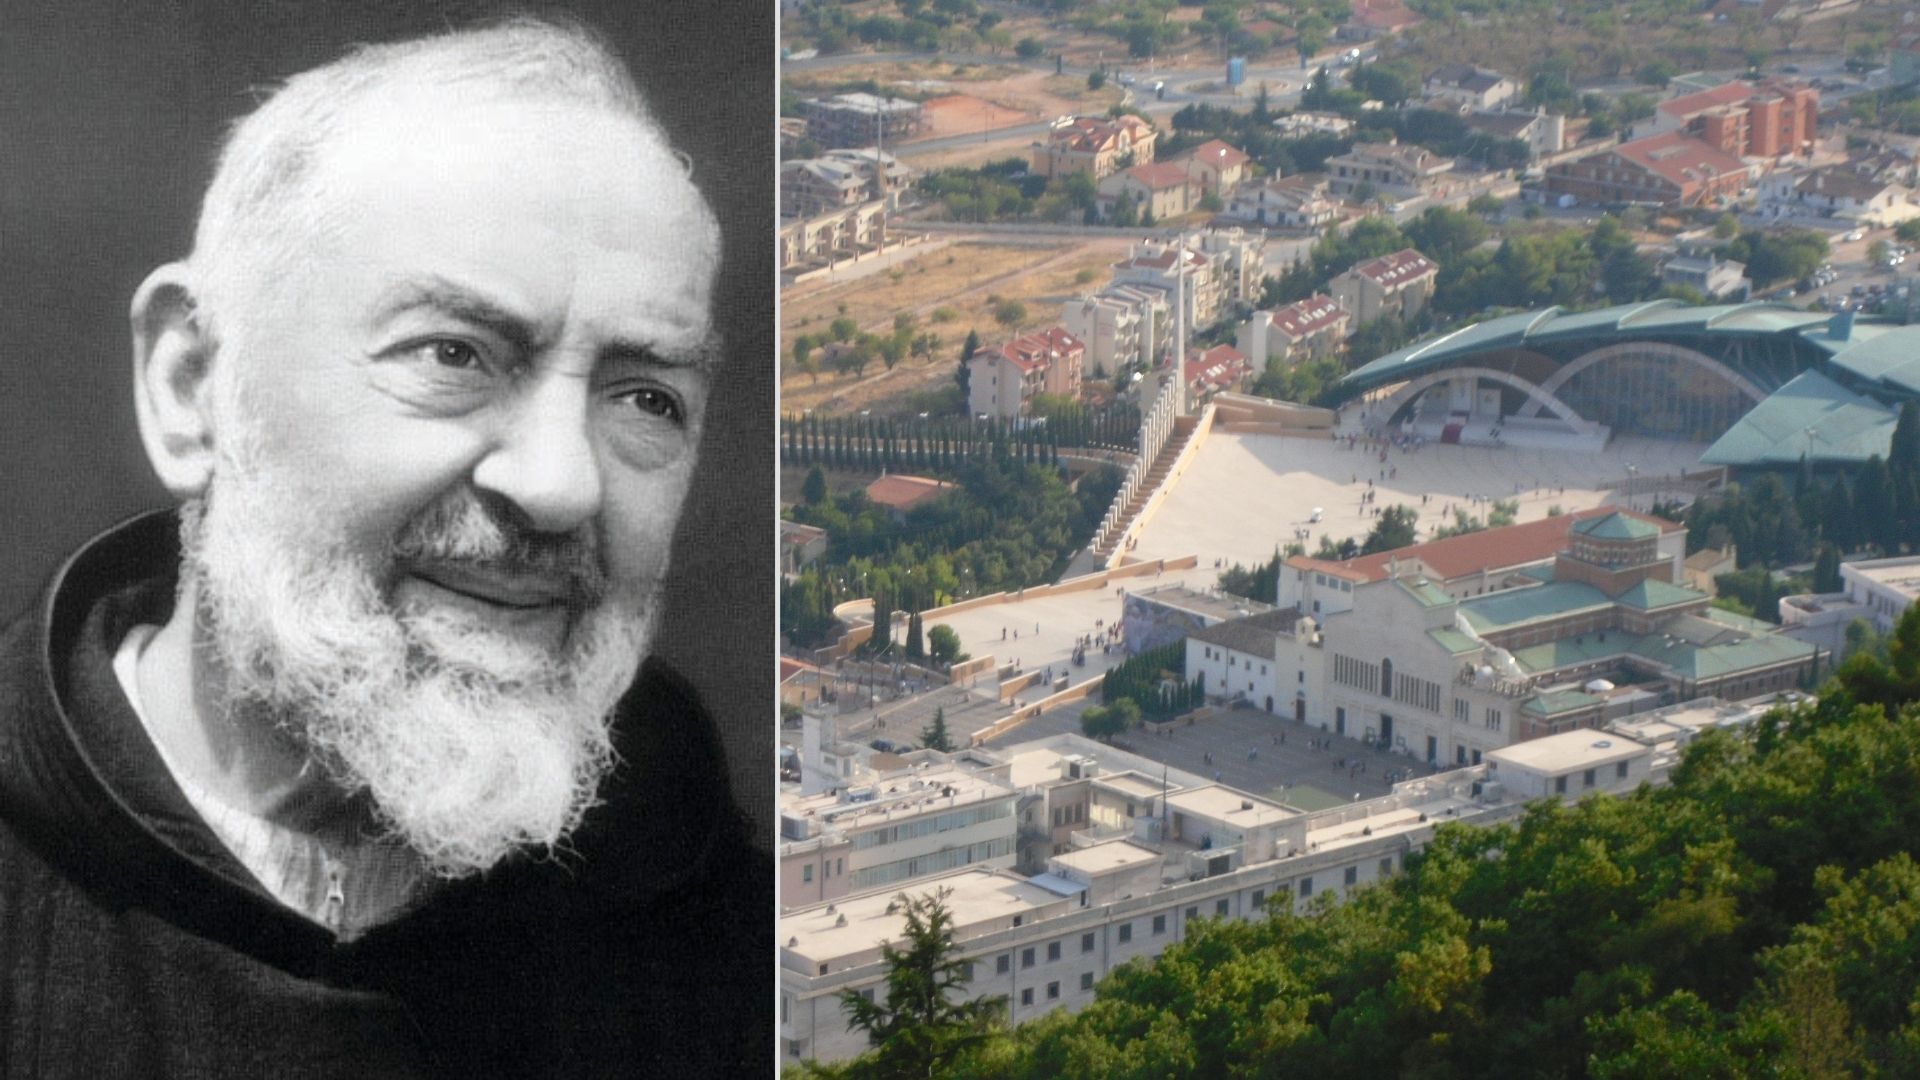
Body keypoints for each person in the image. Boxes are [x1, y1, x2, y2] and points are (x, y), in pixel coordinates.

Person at [0, 18, 766, 1078]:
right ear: (191, 387)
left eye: (646, 396)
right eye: (453, 353)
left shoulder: (746, 962)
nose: (558, 484)